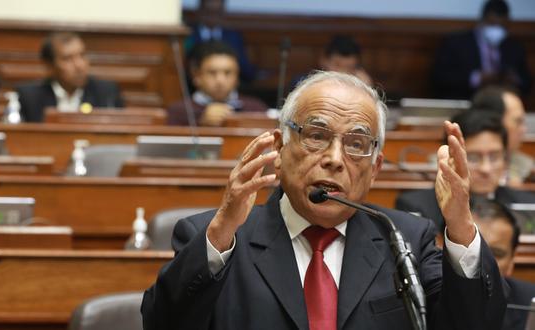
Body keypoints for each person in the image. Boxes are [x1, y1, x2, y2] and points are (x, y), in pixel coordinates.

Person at [142, 71, 505, 329]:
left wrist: (460, 225)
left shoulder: (406, 238)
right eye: (317, 135)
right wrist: (221, 230)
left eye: (356, 144)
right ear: (281, 148)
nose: (334, 158)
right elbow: (163, 323)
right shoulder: (218, 239)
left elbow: (476, 323)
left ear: (375, 167)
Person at [396, 110, 535, 233]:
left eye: (494, 157)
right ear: (450, 156)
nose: (485, 168)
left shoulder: (528, 205)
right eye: (473, 158)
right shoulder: (416, 206)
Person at [433, 0, 531, 100]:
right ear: (482, 20)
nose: (496, 30)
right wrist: (477, 78)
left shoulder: (514, 47)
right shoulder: (456, 43)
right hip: (467, 101)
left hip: (503, 104)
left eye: (501, 26)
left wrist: (514, 79)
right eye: (492, 24)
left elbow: (527, 83)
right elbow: (440, 78)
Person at [16, 32, 124, 122]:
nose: (79, 65)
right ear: (50, 66)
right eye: (67, 59)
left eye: (82, 55)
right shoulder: (30, 97)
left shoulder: (106, 93)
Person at [470, 197, 535, 330]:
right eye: (471, 249)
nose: (483, 263)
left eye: (496, 254)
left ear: (511, 261)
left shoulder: (530, 300)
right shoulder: (423, 298)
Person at [167, 41, 268, 127]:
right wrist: (201, 123)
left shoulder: (256, 109)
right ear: (196, 76)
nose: (220, 80)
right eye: (212, 72)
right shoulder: (178, 111)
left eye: (227, 73)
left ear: (237, 77)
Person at [472, 86, 533, 186]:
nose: (524, 130)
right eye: (518, 122)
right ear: (493, 122)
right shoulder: (447, 164)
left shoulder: (527, 166)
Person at [291, 35, 372, 90]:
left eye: (349, 68)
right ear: (324, 61)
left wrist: (366, 89)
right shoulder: (303, 83)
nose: (342, 73)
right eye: (337, 65)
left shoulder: (360, 86)